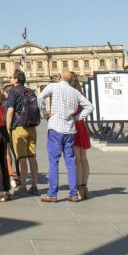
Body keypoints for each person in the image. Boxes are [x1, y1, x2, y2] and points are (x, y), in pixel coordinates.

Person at [37, 71, 92, 203]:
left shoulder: (53, 86)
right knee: (71, 163)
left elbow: (40, 98)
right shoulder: (75, 92)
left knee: (54, 162)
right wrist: (77, 117)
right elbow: (89, 107)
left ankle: (52, 194)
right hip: (70, 130)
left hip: (55, 128)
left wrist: (45, 113)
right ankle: (73, 194)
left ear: (60, 77)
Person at [5, 69, 40, 195]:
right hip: (32, 127)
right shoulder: (31, 91)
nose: (9, 78)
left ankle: (23, 187)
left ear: (16, 79)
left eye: (11, 77)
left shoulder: (13, 92)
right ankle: (34, 186)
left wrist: (8, 128)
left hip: (19, 128)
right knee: (32, 157)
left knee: (22, 158)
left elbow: (10, 111)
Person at [68, 73, 91, 201]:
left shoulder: (70, 94)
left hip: (74, 125)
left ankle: (79, 188)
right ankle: (84, 187)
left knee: (77, 159)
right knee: (83, 158)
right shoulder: (80, 93)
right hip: (82, 125)